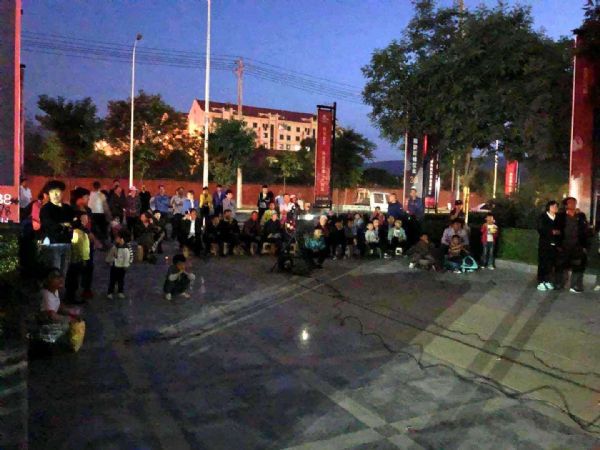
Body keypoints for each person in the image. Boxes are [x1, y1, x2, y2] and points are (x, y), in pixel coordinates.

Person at [40, 180, 74, 277]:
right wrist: (63, 225)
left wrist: (67, 225)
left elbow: (75, 222)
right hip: (53, 244)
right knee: (54, 273)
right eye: (52, 192)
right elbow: (49, 224)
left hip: (67, 243)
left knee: (64, 273)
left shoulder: (67, 208)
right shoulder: (46, 209)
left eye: (57, 191)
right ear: (48, 194)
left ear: (62, 193)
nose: (55, 194)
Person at [556, 197, 589, 293]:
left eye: (574, 202)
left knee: (578, 265)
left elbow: (585, 230)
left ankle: (575, 285)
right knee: (561, 265)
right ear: (566, 205)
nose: (573, 204)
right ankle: (559, 283)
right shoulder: (561, 216)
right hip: (564, 245)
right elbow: (556, 230)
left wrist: (584, 245)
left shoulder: (580, 216)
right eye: (570, 203)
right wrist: (558, 244)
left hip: (577, 246)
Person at [65, 211, 92, 304]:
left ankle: (71, 297)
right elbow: (78, 247)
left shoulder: (82, 231)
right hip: (77, 260)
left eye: (86, 218)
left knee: (75, 278)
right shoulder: (77, 232)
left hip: (80, 259)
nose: (86, 220)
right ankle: (70, 298)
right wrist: (83, 258)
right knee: (73, 279)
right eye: (84, 218)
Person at [537, 200, 561, 291]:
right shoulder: (543, 217)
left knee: (550, 264)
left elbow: (560, 229)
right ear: (549, 207)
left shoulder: (557, 218)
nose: (555, 208)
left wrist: (558, 232)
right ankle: (541, 281)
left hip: (554, 244)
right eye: (553, 206)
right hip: (545, 244)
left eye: (556, 207)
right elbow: (540, 228)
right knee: (543, 263)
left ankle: (547, 280)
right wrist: (551, 231)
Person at [105, 229, 133, 299]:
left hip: (121, 267)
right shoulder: (115, 247)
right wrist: (108, 260)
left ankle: (120, 291)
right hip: (114, 266)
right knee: (112, 280)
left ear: (121, 239)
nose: (115, 239)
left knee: (121, 280)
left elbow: (128, 257)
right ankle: (110, 292)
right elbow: (111, 254)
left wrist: (126, 265)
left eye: (117, 237)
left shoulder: (126, 249)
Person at [88, 181, 109, 245]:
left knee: (94, 230)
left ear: (93, 187)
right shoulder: (102, 195)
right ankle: (102, 244)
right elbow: (105, 207)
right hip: (101, 215)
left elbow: (88, 205)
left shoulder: (89, 195)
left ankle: (94, 244)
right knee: (102, 231)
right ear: (100, 187)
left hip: (92, 215)